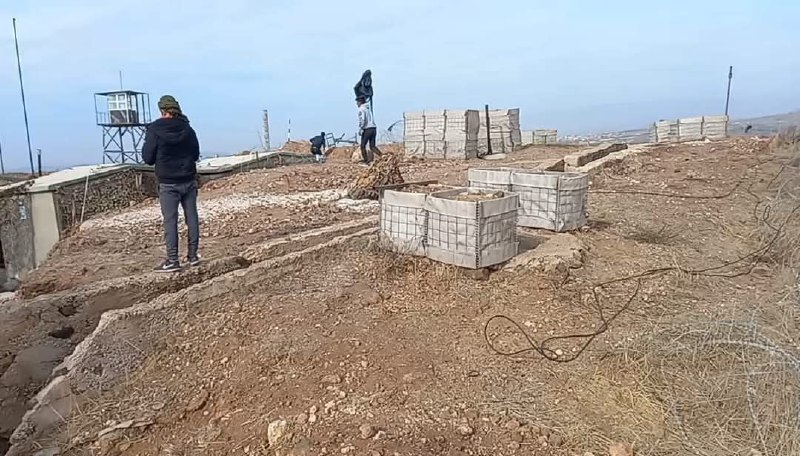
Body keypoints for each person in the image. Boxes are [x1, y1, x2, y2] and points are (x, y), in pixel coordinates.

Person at [142, 95, 201, 273]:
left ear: (162, 110)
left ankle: (173, 260)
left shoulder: (154, 129)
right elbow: (195, 154)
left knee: (170, 221)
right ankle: (193, 256)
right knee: (192, 217)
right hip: (188, 180)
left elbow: (148, 158)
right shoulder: (187, 128)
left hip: (168, 183)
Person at [357, 96, 381, 165]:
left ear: (360, 102)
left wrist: (361, 128)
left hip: (367, 129)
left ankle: (366, 161)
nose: (356, 103)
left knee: (362, 146)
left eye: (357, 102)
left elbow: (362, 120)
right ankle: (382, 156)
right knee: (372, 146)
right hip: (373, 128)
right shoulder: (368, 109)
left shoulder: (361, 109)